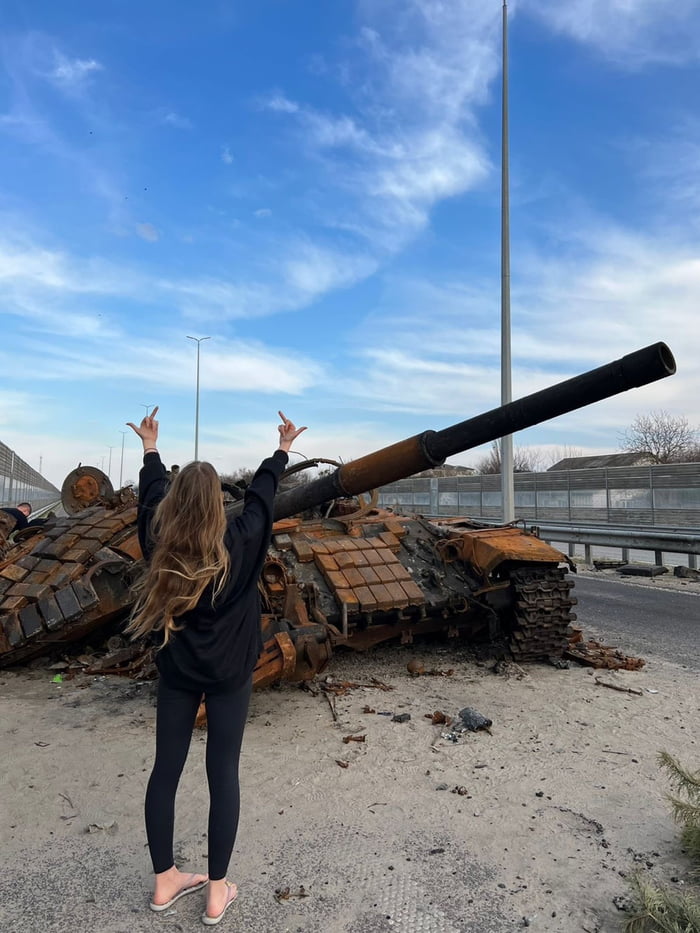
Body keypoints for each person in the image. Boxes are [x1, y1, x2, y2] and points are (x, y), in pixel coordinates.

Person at [125, 405, 306, 924]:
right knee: (222, 771)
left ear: (175, 503)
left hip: (178, 670)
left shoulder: (160, 542)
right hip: (229, 672)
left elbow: (151, 494)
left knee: (165, 769)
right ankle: (216, 890)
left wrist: (150, 448)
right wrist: (281, 450)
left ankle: (164, 881)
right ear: (216, 504)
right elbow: (262, 497)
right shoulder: (241, 540)